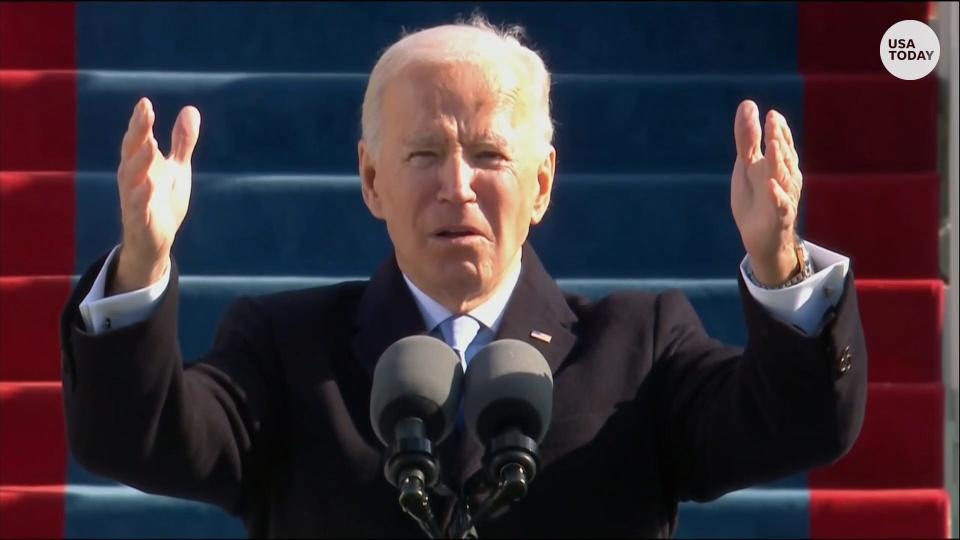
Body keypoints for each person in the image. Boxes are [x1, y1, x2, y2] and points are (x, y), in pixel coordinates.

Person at [60, 16, 866, 538]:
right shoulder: (285, 350)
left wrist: (778, 264)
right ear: (371, 181)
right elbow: (141, 438)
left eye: (488, 155)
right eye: (423, 156)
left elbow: (797, 425)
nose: (457, 185)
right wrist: (141, 261)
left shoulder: (639, 347)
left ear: (543, 183)